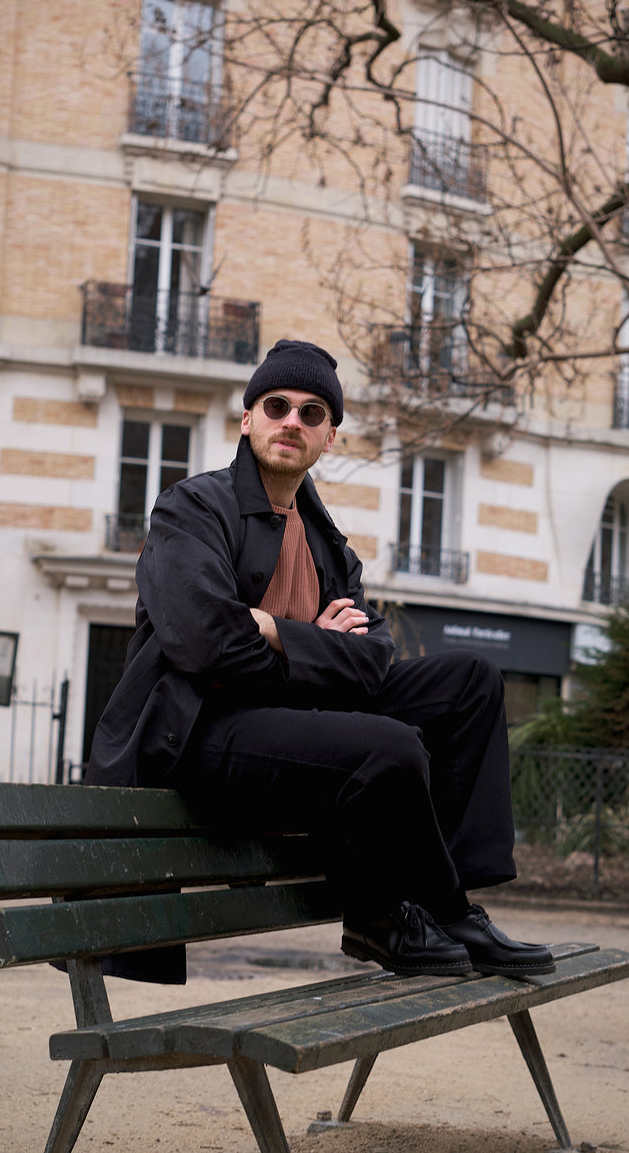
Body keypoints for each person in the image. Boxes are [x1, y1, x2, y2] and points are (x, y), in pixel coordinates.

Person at [87, 338, 553, 980]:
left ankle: (428, 905)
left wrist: (277, 630)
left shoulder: (331, 547)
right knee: (389, 746)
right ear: (247, 419)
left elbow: (372, 662)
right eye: (277, 405)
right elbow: (206, 646)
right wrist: (316, 641)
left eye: (312, 413)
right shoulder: (191, 509)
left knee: (470, 682)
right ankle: (420, 915)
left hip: (295, 724)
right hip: (204, 735)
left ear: (329, 437)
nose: (292, 422)